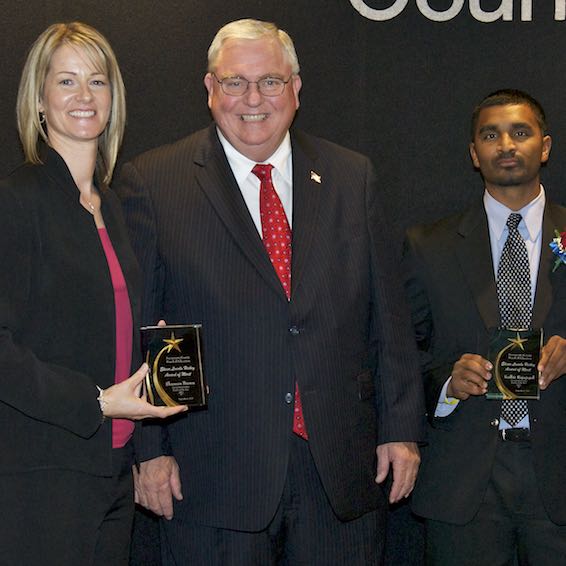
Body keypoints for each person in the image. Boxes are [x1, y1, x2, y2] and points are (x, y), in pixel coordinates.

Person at [117, 18, 424, 565]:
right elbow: (142, 327)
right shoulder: (155, 181)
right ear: (210, 89)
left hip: (339, 469)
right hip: (211, 474)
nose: (253, 99)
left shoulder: (352, 176)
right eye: (235, 82)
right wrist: (149, 452)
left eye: (271, 82)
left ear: (297, 89)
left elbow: (389, 319)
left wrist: (401, 428)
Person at [0, 21, 187, 566]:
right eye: (65, 82)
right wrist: (97, 402)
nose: (84, 96)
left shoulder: (111, 206)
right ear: (38, 101)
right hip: (40, 479)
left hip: (110, 475)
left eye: (97, 82)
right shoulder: (15, 202)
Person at [404, 89, 566, 565]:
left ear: (546, 145)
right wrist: (448, 383)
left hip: (557, 474)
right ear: (475, 154)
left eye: (521, 132)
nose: (506, 145)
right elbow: (397, 354)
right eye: (490, 135)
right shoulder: (428, 246)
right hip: (465, 480)